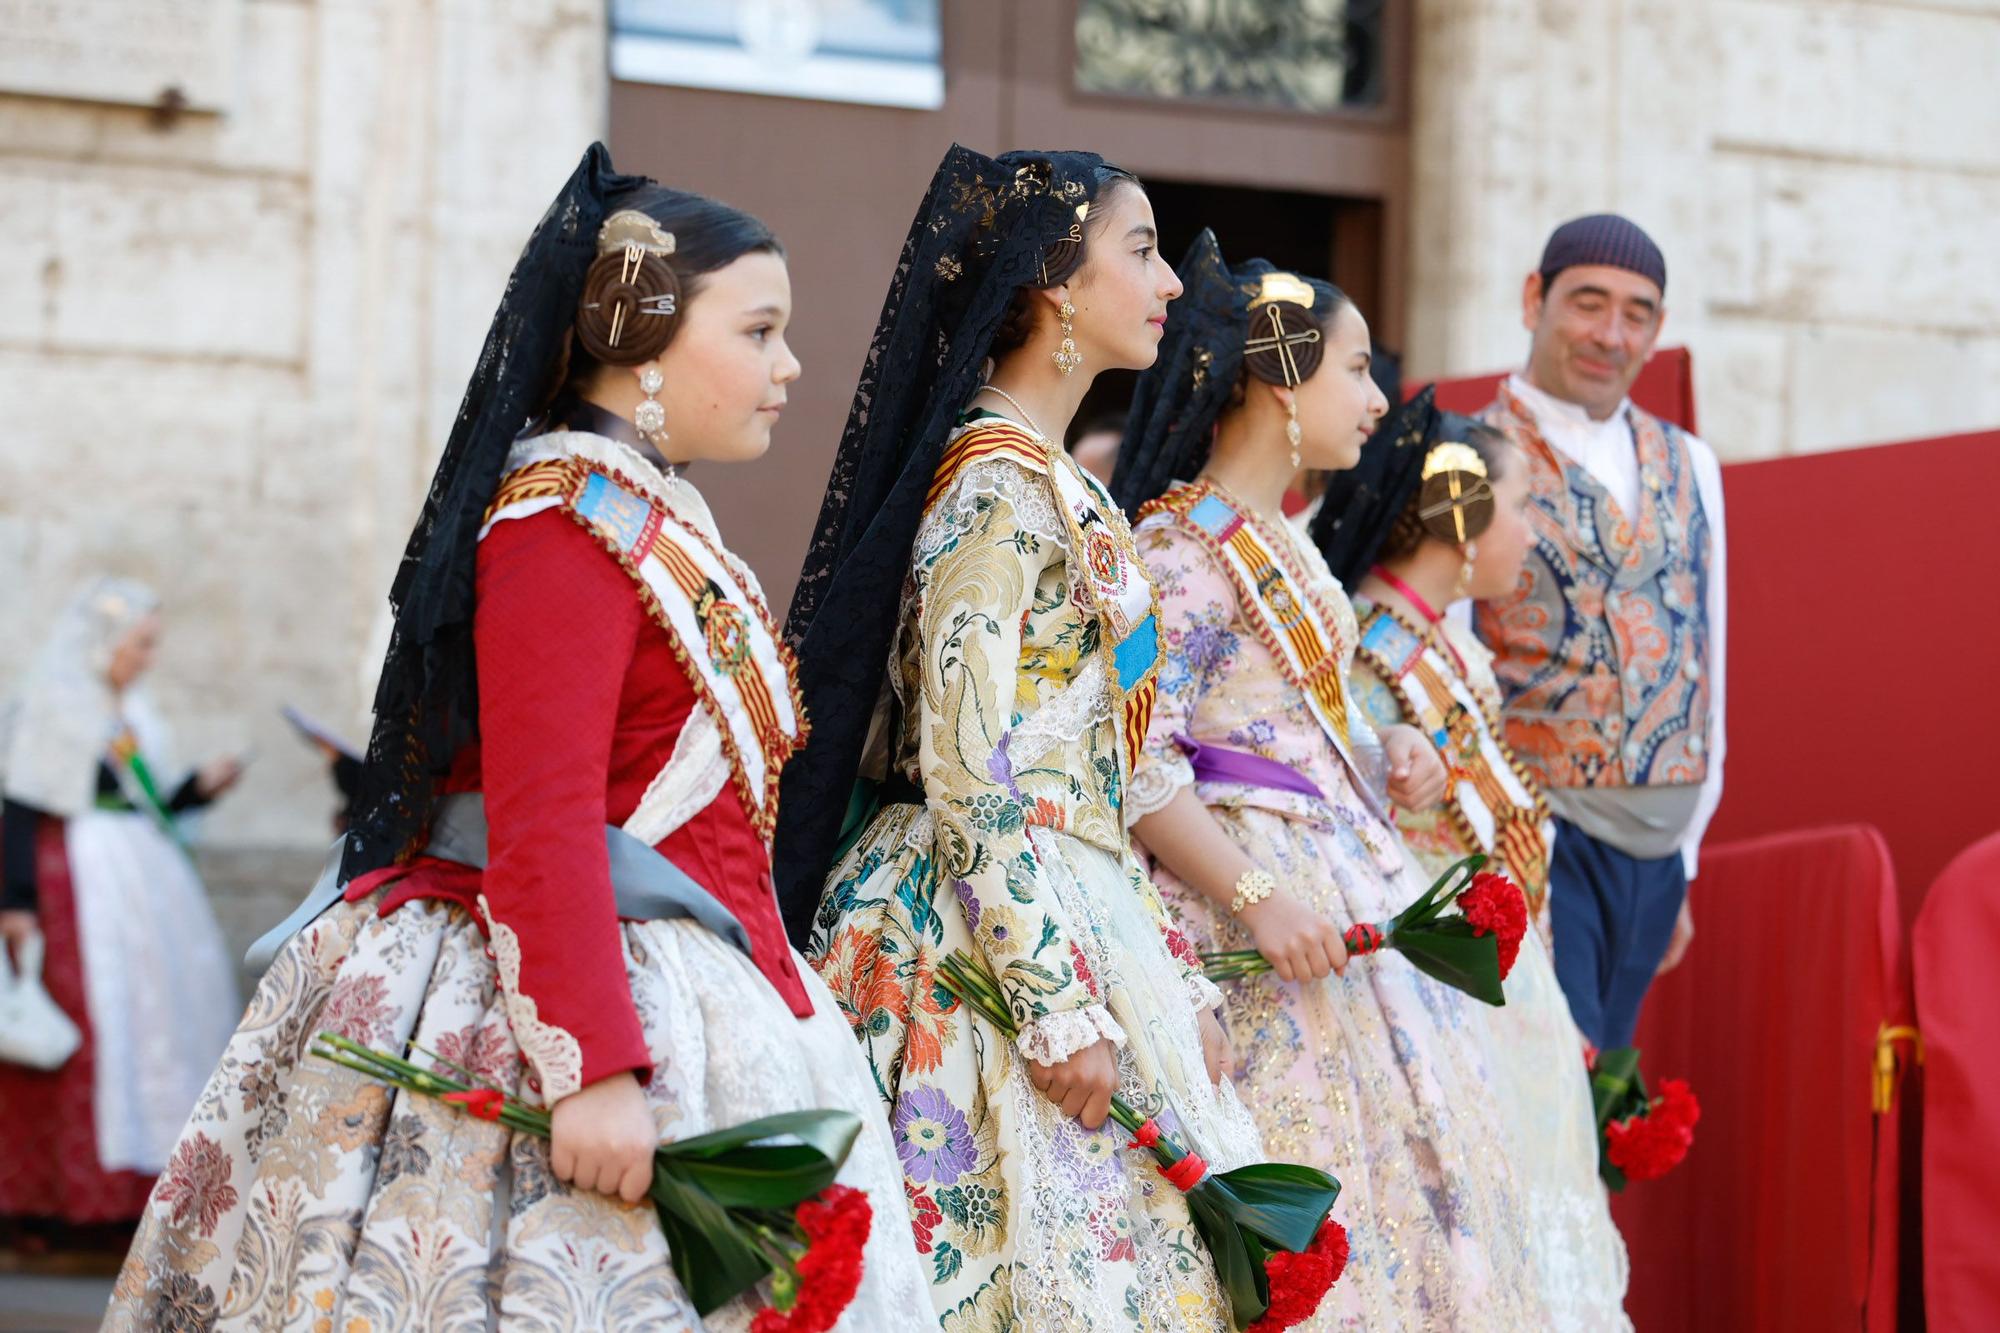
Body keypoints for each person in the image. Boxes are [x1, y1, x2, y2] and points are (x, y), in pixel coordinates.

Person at [104, 144, 925, 1330]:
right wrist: (592, 1066)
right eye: (756, 331)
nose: (788, 365)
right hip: (569, 1001)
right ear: (638, 333)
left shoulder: (642, 514)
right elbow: (540, 813)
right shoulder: (557, 527)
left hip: (693, 989)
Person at [779, 147, 1262, 1330]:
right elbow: (967, 762)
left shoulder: (1070, 490)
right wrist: (1053, 1003)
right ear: (1053, 281)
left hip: (1074, 891)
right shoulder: (994, 488)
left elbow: (1112, 766)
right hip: (970, 926)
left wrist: (1168, 966)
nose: (1165, 284)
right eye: (1139, 250)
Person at [1114, 231, 1546, 1329]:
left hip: (1339, 890)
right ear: (1275, 375)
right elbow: (1136, 759)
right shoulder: (1175, 553)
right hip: (1259, 911)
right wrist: (1257, 897)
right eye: (1354, 370)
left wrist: (1377, 753)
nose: (1375, 400)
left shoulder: (1287, 546)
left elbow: (1291, 724)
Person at [1328, 395, 1632, 1329]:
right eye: (1523, 505)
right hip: (1441, 990)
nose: (1535, 533)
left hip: (1492, 977)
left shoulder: (1434, 646)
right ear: (1461, 512)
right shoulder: (1375, 655)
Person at [1472, 214, 1725, 1050]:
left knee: (1601, 1094)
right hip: (1541, 839)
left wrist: (1684, 860)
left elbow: (1708, 653)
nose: (1611, 335)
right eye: (1588, 302)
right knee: (1553, 1097)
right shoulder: (1468, 452)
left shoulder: (1692, 461)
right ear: (1533, 298)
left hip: (1659, 854)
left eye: (1638, 312)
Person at [0, 578, 242, 1230]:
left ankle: (151, 1189)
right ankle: (64, 1201)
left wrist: (197, 788)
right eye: (141, 643)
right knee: (93, 1025)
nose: (147, 656)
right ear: (105, 641)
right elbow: (22, 802)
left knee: (156, 1023)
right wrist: (16, 901)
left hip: (141, 881)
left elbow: (146, 801)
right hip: (78, 881)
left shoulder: (129, 706)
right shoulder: (59, 704)